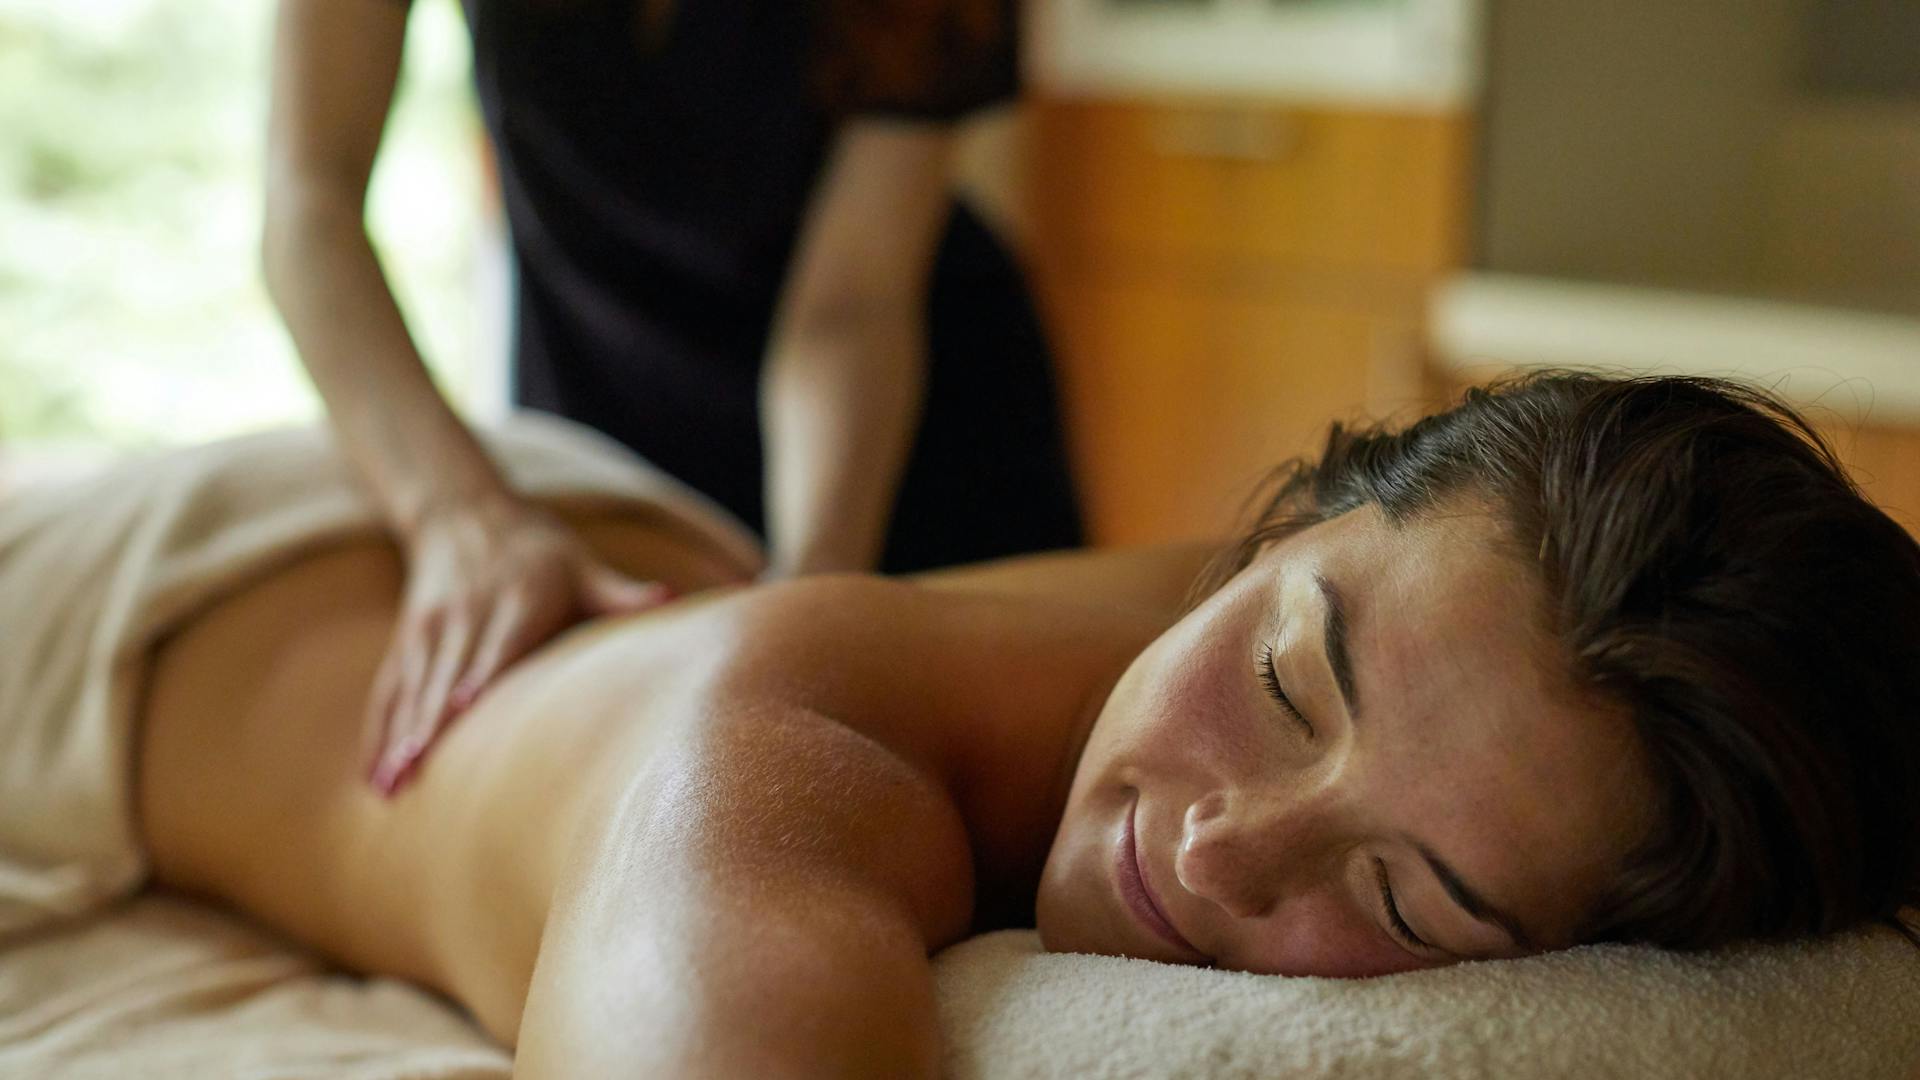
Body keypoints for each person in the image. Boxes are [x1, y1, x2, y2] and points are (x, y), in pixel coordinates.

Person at [2, 375, 1915, 1077]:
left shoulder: (1421, 627)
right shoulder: (769, 777)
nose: (1221, 847)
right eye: (1278, 685)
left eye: (1408, 903)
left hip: (615, 523)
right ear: (1288, 518)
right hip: (116, 602)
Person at [261, 0, 1083, 791]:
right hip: (604, 409)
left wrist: (815, 589)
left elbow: (849, 307)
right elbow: (309, 209)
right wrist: (458, 512)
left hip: (904, 439)